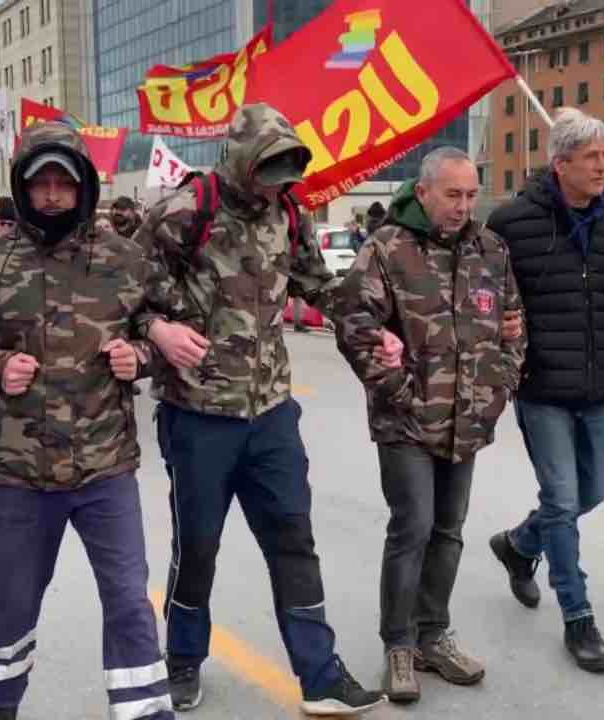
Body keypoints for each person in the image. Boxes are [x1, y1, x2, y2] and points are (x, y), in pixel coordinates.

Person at [0, 121, 175, 720]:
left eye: (64, 183)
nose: (52, 195)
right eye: (40, 184)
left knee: (130, 602)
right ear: (21, 189)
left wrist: (143, 357)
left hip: (105, 468)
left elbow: (164, 324)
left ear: (84, 187)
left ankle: (145, 713)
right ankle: (0, 707)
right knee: (9, 602)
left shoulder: (126, 261)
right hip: (19, 473)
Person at [136, 103, 390, 716]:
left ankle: (320, 674)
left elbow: (321, 287)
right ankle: (182, 660)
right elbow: (119, 291)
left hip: (272, 411)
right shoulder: (182, 213)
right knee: (197, 545)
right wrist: (157, 330)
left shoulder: (289, 216)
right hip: (198, 412)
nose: (276, 181)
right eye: (267, 167)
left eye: (284, 169)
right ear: (239, 160)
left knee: (293, 539)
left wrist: (372, 327)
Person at [334, 147, 526, 704]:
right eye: (452, 195)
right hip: (405, 424)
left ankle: (433, 634)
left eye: (470, 195)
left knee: (449, 529)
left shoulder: (491, 250)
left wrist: (500, 387)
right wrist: (399, 392)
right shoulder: (388, 249)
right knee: (413, 527)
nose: (463, 206)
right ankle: (400, 643)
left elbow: (514, 325)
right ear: (423, 193)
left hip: (467, 419)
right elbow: (355, 326)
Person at [483, 108, 604, 672]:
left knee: (591, 494)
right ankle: (579, 617)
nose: (602, 166)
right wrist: (502, 332)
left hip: (596, 387)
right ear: (559, 163)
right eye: (592, 157)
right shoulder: (511, 223)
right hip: (541, 387)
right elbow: (485, 297)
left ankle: (518, 544)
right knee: (563, 502)